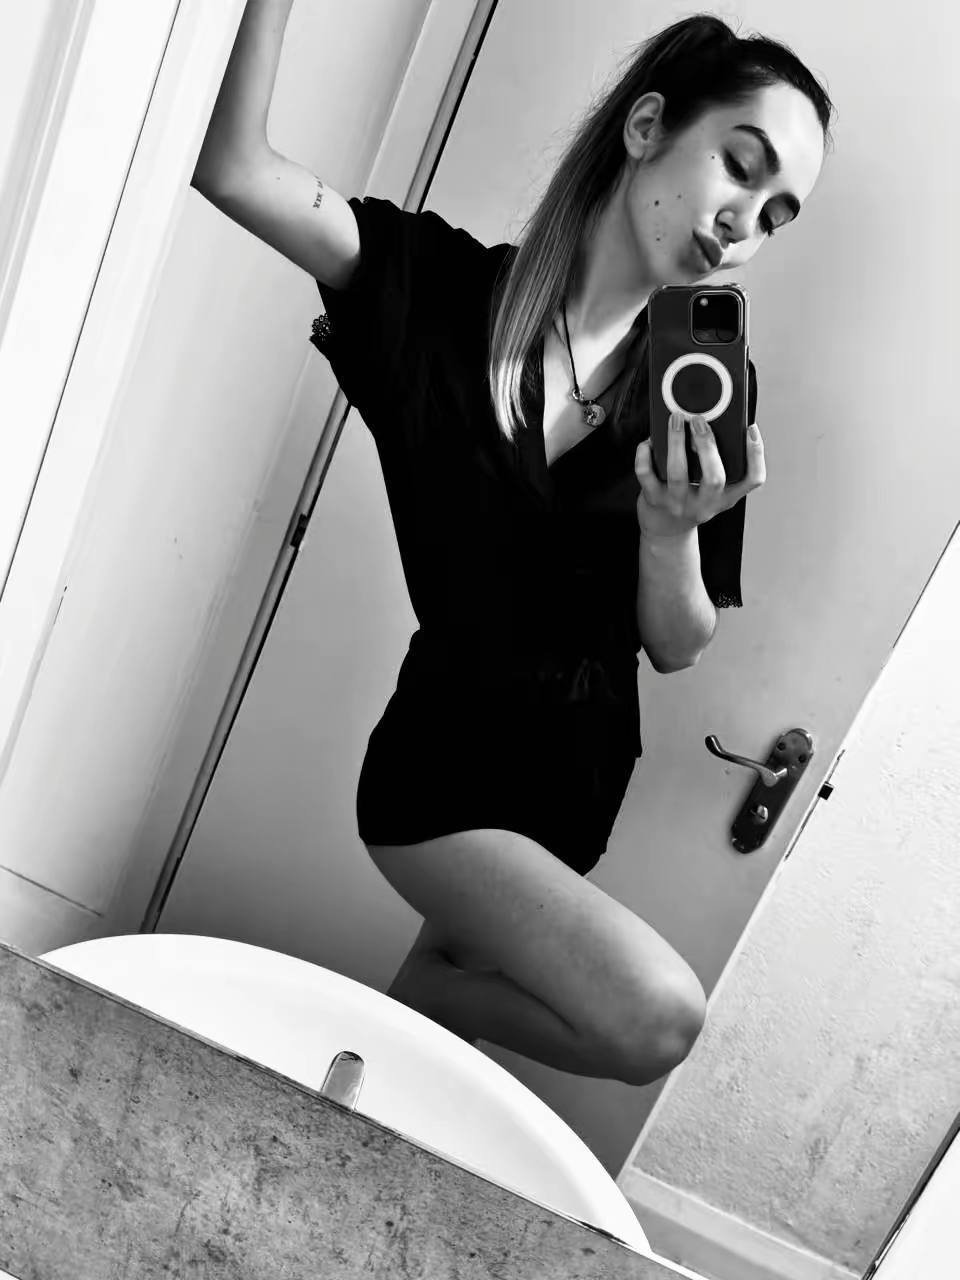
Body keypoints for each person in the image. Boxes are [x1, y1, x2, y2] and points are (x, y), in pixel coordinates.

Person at [192, 5, 832, 1085]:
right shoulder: (436, 295)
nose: (743, 223)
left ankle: (368, 1082)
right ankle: (421, 1006)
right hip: (442, 769)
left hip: (575, 782)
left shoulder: (699, 386)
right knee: (654, 1019)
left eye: (776, 214)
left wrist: (672, 530)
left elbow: (677, 644)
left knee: (398, 1078)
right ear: (646, 127)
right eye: (740, 165)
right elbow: (235, 170)